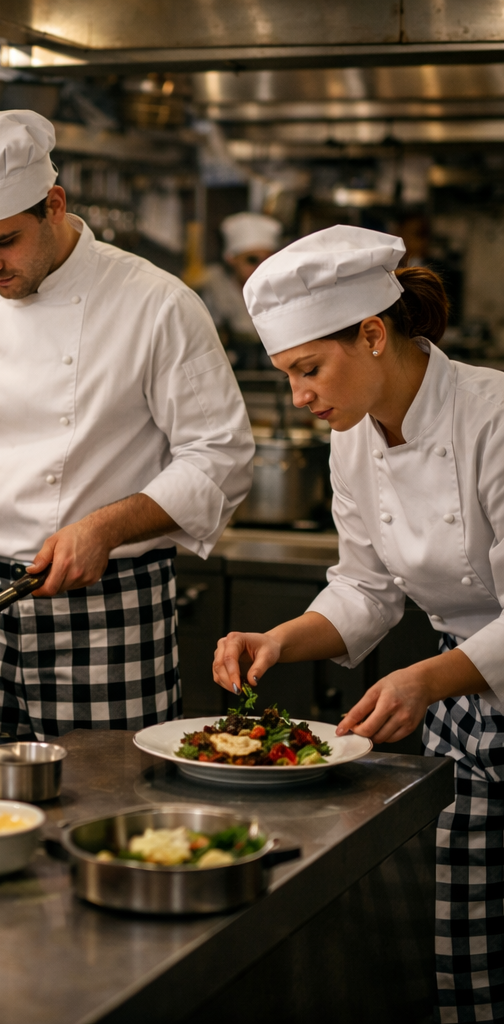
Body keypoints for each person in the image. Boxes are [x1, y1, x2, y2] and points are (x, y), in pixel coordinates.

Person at [0, 110, 254, 740]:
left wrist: (104, 527)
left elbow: (220, 459)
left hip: (109, 608)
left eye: (4, 242)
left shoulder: (157, 303)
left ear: (55, 205)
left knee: (107, 811)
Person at [211, 224, 504, 1021]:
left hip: (456, 679)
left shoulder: (494, 419)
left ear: (374, 333)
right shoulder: (355, 437)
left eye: (309, 370)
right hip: (466, 710)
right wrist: (280, 639)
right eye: (288, 375)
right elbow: (366, 589)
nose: (300, 398)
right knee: (466, 944)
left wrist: (427, 680)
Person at [197, 211, 282, 370]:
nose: (260, 268)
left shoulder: (282, 290)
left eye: (267, 260)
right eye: (252, 260)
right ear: (231, 259)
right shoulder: (216, 289)